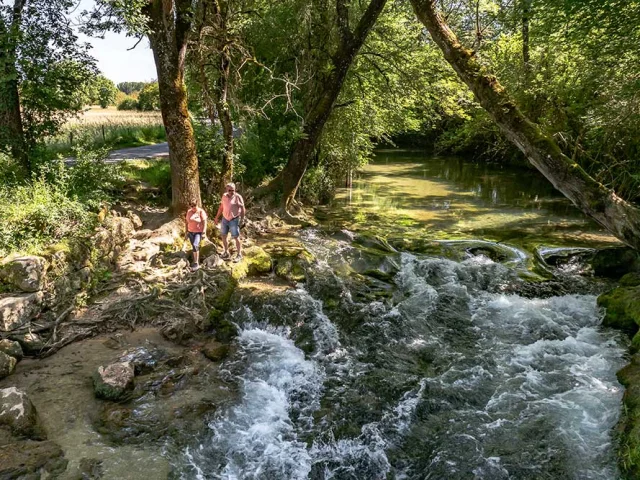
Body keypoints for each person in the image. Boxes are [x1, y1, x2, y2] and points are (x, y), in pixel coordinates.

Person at [214, 182, 246, 262]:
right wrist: (217, 217)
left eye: (233, 190)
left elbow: (242, 208)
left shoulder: (238, 197)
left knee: (236, 236)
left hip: (234, 219)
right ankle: (226, 252)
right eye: (230, 190)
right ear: (227, 190)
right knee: (223, 235)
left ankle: (239, 254)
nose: (232, 192)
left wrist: (242, 219)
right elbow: (221, 207)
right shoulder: (224, 196)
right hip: (225, 219)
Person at [185, 199, 208, 270]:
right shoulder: (189, 212)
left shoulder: (201, 211)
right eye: (192, 206)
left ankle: (196, 263)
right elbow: (186, 222)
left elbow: (205, 222)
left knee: (195, 245)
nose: (193, 207)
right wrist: (186, 232)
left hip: (198, 232)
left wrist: (204, 232)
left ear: (197, 204)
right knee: (194, 247)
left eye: (194, 205)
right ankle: (195, 261)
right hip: (190, 232)